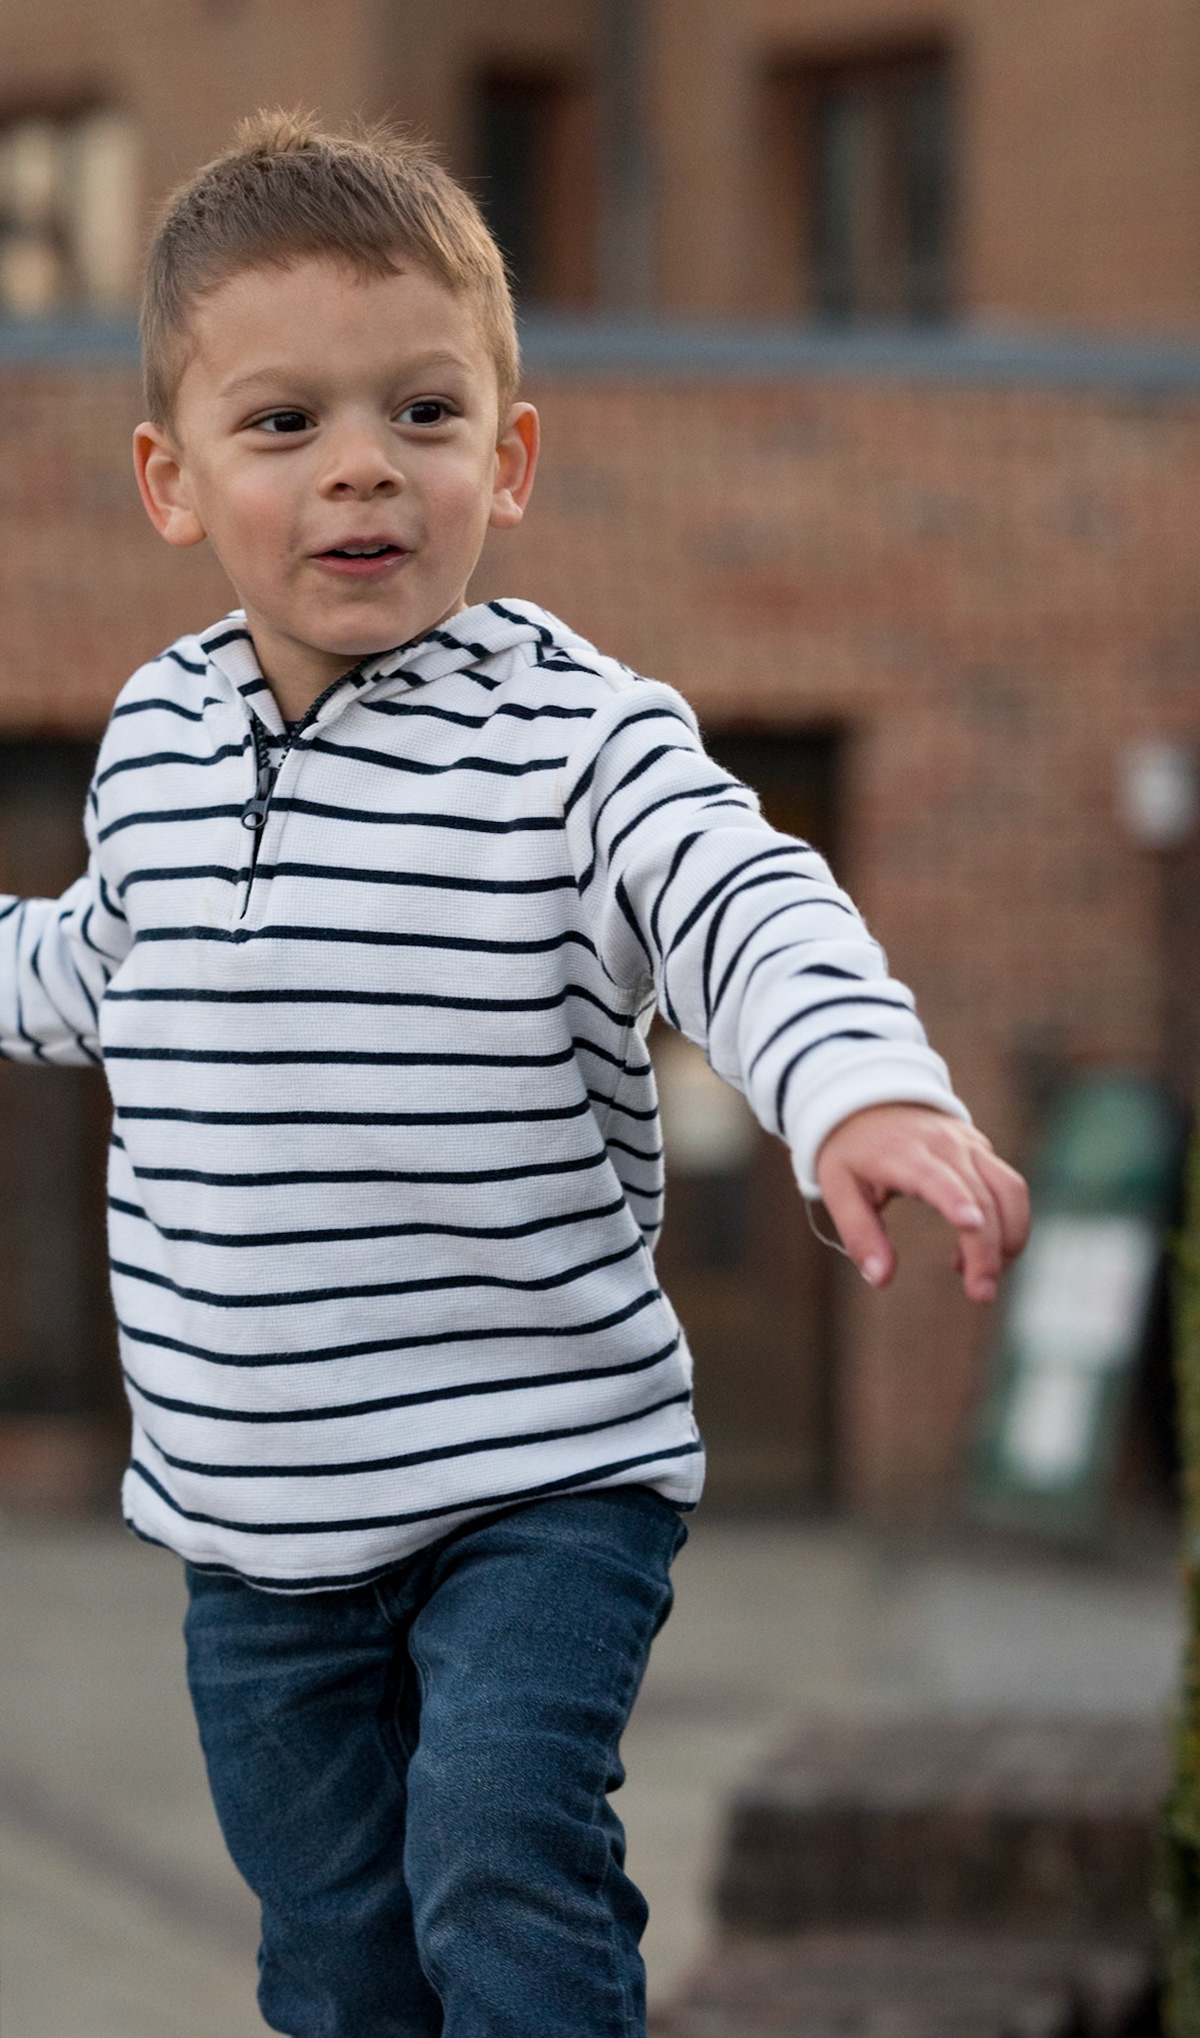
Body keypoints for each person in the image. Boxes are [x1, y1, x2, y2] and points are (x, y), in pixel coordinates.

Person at [0, 110, 1028, 2038]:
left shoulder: (577, 742)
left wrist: (856, 1084)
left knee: (495, 1848)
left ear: (512, 454)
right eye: (285, 422)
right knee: (335, 1954)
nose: (362, 465)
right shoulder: (151, 737)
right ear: (170, 480)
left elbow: (743, 899)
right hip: (253, 1517)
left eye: (424, 412)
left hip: (537, 1475)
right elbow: (95, 967)